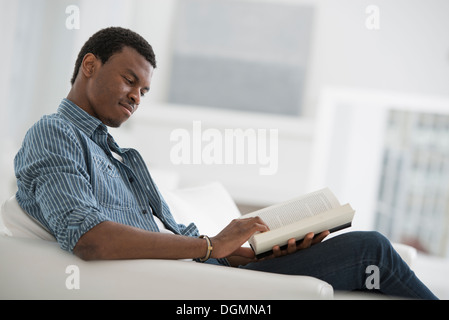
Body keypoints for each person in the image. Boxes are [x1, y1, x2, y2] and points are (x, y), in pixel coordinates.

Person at [14, 27, 437, 299]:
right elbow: (89, 237)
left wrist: (252, 253)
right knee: (373, 249)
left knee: (367, 254)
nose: (136, 97)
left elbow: (173, 236)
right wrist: (213, 246)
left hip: (212, 266)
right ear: (89, 65)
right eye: (130, 80)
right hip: (197, 282)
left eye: (143, 90)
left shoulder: (118, 153)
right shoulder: (55, 134)